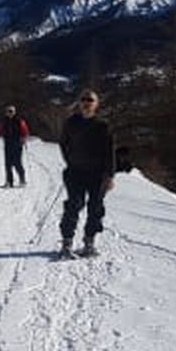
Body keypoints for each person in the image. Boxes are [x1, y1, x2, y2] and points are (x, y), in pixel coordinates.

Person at [58, 89, 115, 258]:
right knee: (73, 205)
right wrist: (71, 161)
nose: (86, 103)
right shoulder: (71, 122)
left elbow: (110, 152)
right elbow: (64, 144)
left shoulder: (103, 126)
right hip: (75, 172)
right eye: (84, 99)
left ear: (96, 104)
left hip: (97, 174)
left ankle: (89, 243)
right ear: (79, 103)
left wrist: (110, 175)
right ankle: (67, 243)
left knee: (95, 208)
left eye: (90, 100)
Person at [0, 105, 30, 188]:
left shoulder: (19, 121)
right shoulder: (4, 121)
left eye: (11, 111)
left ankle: (22, 179)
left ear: (14, 112)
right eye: (8, 111)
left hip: (17, 144)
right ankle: (9, 182)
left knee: (17, 163)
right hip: (8, 143)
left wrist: (24, 138)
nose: (9, 113)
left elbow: (25, 131)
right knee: (8, 164)